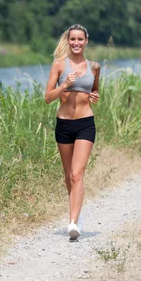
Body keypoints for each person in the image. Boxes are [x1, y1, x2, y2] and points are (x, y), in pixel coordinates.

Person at [44, 24, 100, 241]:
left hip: (86, 123)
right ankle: (75, 214)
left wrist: (94, 96)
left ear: (86, 41)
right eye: (73, 39)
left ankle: (73, 223)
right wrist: (64, 85)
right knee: (69, 176)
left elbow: (94, 90)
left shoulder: (94, 67)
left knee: (77, 174)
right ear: (68, 41)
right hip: (64, 124)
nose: (76, 43)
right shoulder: (59, 65)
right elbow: (48, 97)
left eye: (80, 39)